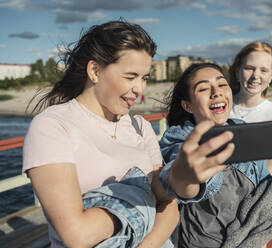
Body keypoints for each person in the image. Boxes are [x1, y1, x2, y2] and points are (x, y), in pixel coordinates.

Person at [22, 20, 178, 248]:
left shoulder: (140, 126)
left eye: (145, 78)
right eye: (130, 76)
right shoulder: (52, 126)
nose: (140, 89)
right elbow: (78, 235)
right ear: (95, 71)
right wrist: (143, 198)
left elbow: (168, 206)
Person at [158, 63, 272, 248]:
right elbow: (182, 182)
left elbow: (264, 184)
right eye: (203, 88)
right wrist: (188, 177)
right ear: (188, 105)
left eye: (222, 84)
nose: (216, 92)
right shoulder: (179, 139)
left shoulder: (241, 128)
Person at [228, 41, 272, 174]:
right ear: (238, 71)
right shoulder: (221, 106)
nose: (255, 76)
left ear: (271, 76)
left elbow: (271, 168)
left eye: (264, 70)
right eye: (249, 68)